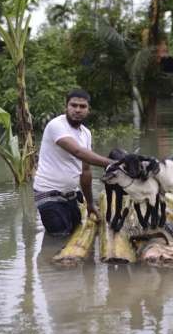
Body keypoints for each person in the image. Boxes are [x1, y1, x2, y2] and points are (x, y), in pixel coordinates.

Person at [33, 89, 113, 237]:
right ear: (66, 107)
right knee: (59, 238)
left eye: (82, 106)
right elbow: (78, 152)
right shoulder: (56, 125)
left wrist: (89, 203)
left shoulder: (86, 133)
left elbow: (86, 171)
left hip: (70, 195)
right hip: (48, 194)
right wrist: (113, 164)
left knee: (75, 233)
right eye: (73, 105)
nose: (78, 110)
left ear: (88, 110)